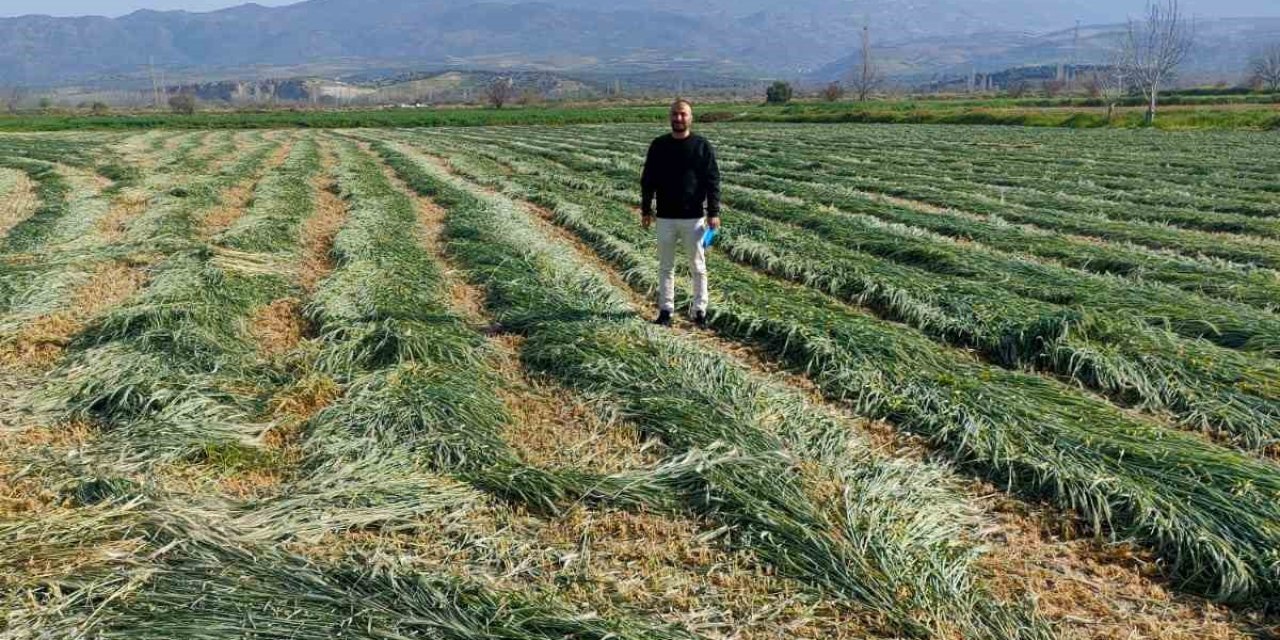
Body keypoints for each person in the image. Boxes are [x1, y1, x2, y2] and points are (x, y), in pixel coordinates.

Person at [640, 98, 721, 327]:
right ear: (670, 117)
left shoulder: (701, 146)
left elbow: (712, 181)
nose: (678, 118)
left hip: (694, 218)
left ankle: (699, 311)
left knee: (698, 266)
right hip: (665, 217)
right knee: (666, 266)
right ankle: (666, 310)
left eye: (683, 114)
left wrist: (713, 211)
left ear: (690, 117)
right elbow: (648, 180)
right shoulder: (659, 145)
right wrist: (646, 209)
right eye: (675, 114)